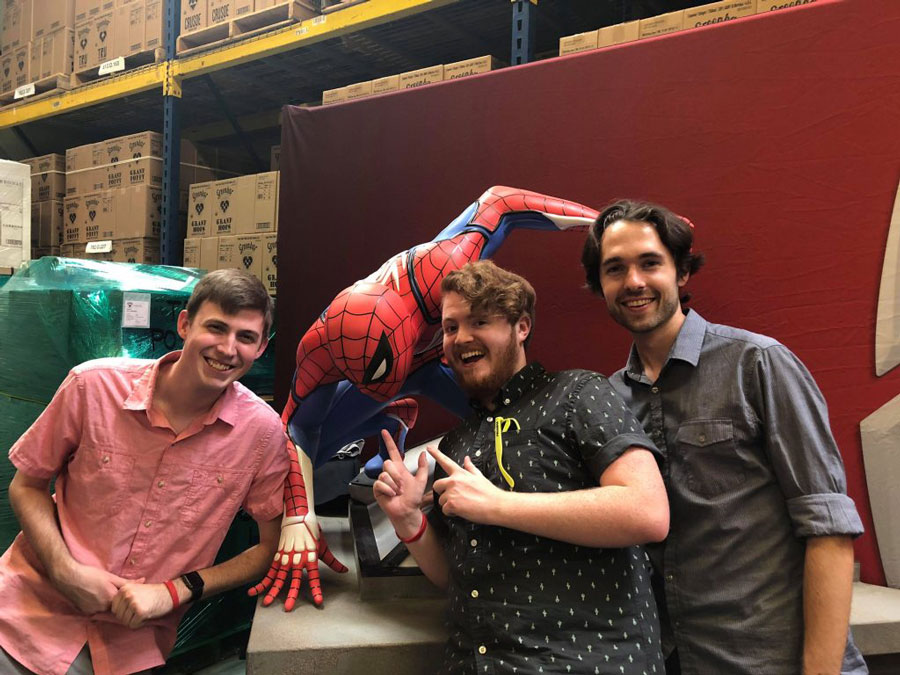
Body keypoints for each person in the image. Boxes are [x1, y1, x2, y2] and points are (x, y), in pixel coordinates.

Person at [252, 186, 600, 610]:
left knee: (504, 419)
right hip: (396, 372)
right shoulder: (319, 347)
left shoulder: (445, 265)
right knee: (287, 461)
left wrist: (599, 222)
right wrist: (298, 515)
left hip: (431, 362)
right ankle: (391, 419)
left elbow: (501, 201)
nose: (465, 330)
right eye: (456, 324)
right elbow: (296, 427)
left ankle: (404, 425)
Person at [581, 199, 868, 675]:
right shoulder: (606, 400)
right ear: (601, 285)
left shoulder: (758, 363)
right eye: (615, 269)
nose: (633, 282)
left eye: (650, 262)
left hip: (774, 661)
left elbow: (829, 528)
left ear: (681, 272)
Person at [372, 259, 669, 674]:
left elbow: (647, 512)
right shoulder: (456, 444)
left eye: (480, 321)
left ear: (521, 327)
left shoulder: (579, 393)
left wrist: (497, 505)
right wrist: (408, 523)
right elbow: (455, 578)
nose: (461, 338)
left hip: (588, 662)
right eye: (451, 327)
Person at [0, 269, 290, 675]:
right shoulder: (92, 386)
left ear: (261, 347)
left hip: (131, 646)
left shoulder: (261, 433)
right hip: (23, 617)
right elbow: (26, 485)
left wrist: (175, 591)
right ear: (185, 324)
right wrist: (64, 570)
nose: (228, 348)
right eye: (216, 328)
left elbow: (269, 546)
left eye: (245, 337)